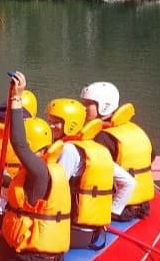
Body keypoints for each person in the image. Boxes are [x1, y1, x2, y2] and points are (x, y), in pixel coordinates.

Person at [0, 72, 71, 261]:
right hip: (39, 257)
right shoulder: (44, 168)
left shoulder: (38, 169)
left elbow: (19, 143)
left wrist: (16, 98)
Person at [42, 98, 136, 248]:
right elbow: (129, 182)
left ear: (71, 124)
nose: (51, 125)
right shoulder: (89, 146)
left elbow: (54, 191)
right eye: (49, 120)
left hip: (71, 228)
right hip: (86, 230)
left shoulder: (69, 151)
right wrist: (110, 214)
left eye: (57, 122)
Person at [80, 81, 155, 220]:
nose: (83, 108)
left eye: (87, 104)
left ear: (104, 106)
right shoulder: (135, 129)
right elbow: (152, 158)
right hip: (142, 206)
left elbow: (93, 172)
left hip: (119, 207)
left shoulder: (101, 137)